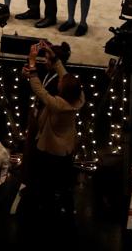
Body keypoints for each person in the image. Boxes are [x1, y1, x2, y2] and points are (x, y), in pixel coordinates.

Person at [22, 42, 85, 225]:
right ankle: (66, 205)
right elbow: (64, 74)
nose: (59, 80)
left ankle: (47, 211)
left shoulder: (57, 103)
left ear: (62, 89)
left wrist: (32, 62)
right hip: (66, 148)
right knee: (64, 180)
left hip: (50, 148)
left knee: (46, 181)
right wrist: (55, 58)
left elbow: (38, 89)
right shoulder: (79, 99)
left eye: (59, 83)